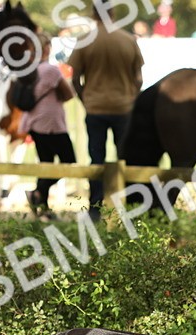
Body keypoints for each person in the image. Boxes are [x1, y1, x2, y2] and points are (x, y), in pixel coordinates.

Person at [68, 4, 144, 217]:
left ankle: (95, 208)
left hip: (95, 108)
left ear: (93, 14)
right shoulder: (128, 40)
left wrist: (86, 99)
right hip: (123, 108)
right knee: (127, 158)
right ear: (113, 14)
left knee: (97, 159)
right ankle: (131, 205)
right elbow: (138, 79)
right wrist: (130, 99)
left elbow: (75, 78)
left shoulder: (85, 40)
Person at [22, 34, 76, 222]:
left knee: (45, 163)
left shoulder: (28, 70)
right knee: (69, 162)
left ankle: (41, 205)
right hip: (52, 123)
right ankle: (38, 193)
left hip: (34, 123)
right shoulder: (50, 70)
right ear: (45, 49)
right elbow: (69, 94)